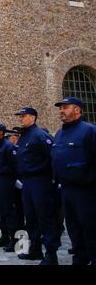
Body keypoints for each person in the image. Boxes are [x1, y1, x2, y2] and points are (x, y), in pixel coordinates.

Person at [51, 97, 96, 265]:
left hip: (86, 192)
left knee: (90, 229)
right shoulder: (59, 133)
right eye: (60, 108)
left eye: (65, 107)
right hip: (66, 191)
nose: (61, 110)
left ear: (77, 110)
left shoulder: (89, 131)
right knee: (73, 230)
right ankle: (79, 259)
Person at [14, 107, 62, 265]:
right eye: (20, 116)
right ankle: (35, 249)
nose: (21, 118)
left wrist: (53, 180)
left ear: (33, 118)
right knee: (31, 217)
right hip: (28, 183)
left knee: (45, 217)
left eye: (24, 116)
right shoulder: (24, 136)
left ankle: (51, 253)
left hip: (40, 182)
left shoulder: (40, 136)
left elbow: (53, 158)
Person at [6, 128, 26, 234]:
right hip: (14, 181)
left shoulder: (20, 148)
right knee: (16, 208)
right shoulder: (11, 148)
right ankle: (18, 227)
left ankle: (22, 227)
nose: (11, 139)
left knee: (21, 207)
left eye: (13, 137)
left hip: (22, 181)